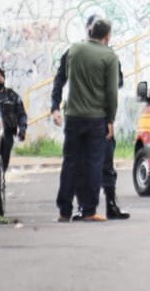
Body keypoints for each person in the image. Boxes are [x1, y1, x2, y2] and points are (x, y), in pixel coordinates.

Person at [52, 15, 129, 220]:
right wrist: (110, 120)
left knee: (71, 163)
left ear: (89, 31)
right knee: (94, 163)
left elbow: (63, 76)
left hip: (73, 116)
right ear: (108, 35)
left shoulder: (74, 50)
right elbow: (112, 92)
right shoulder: (109, 56)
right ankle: (89, 210)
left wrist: (56, 106)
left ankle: (64, 210)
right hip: (96, 118)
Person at [0, 67, 27, 171]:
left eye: (1, 75)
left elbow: (21, 114)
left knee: (5, 158)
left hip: (7, 133)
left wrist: (22, 129)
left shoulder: (12, 95)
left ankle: (1, 178)